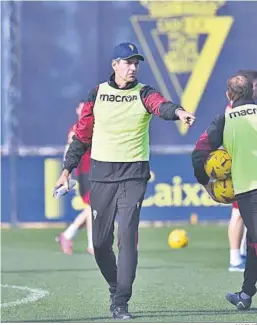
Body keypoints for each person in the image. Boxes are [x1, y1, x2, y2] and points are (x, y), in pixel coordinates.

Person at [55, 42, 195, 319]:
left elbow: (161, 106)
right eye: (127, 62)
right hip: (102, 174)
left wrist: (178, 112)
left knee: (127, 237)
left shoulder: (144, 93)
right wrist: (67, 169)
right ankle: (114, 285)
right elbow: (83, 135)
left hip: (134, 174)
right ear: (114, 65)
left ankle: (121, 301)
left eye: (136, 63)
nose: (132, 67)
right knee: (100, 243)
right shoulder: (97, 93)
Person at [192, 74, 257, 310]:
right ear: (252, 93)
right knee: (252, 242)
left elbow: (199, 154)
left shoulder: (225, 119)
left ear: (228, 96)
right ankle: (246, 294)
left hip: (249, 190)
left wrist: (206, 183)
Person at [227, 70, 257, 272]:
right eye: (254, 86)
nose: (255, 89)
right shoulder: (233, 112)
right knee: (238, 213)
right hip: (244, 172)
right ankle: (235, 257)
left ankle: (243, 255)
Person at [57, 101, 94, 255]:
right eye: (82, 107)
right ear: (78, 110)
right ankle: (92, 244)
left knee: (96, 207)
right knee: (93, 207)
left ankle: (67, 235)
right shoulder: (76, 129)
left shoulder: (94, 126)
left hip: (97, 170)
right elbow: (69, 150)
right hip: (85, 173)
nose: (85, 110)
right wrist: (67, 172)